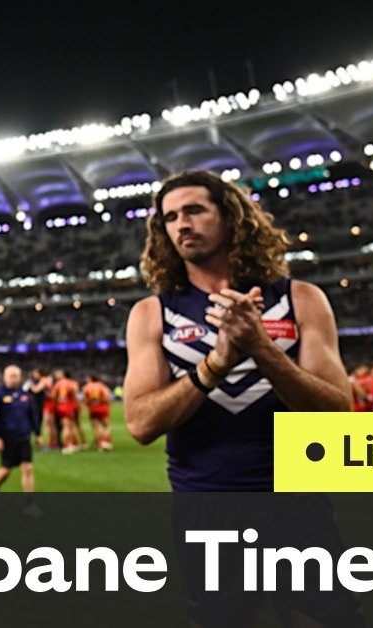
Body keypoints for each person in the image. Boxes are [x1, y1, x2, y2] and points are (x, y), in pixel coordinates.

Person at [122, 170, 358, 627]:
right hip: (207, 506)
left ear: (231, 217)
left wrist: (260, 347)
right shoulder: (153, 314)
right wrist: (216, 363)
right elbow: (141, 423)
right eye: (170, 217)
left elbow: (336, 414)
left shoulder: (301, 299)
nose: (181, 224)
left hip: (297, 503)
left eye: (195, 210)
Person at [0, 365, 40, 516]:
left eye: (16, 376)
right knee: (6, 470)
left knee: (27, 468)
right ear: (5, 377)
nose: (14, 379)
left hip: (24, 437)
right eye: (11, 376)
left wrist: (38, 433)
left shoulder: (25, 395)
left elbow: (32, 415)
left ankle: (30, 504)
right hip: (7, 439)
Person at [52, 370, 83, 453]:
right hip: (68, 407)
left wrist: (57, 403)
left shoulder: (58, 383)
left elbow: (53, 395)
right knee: (69, 427)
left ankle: (69, 444)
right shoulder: (71, 383)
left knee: (66, 426)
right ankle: (67, 445)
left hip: (60, 406)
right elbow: (74, 396)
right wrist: (79, 406)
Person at [82, 374, 113, 451]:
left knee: (96, 427)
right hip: (102, 407)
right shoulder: (102, 386)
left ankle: (99, 445)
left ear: (91, 379)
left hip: (92, 408)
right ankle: (105, 441)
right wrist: (108, 405)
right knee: (106, 426)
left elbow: (85, 399)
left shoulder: (86, 387)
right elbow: (107, 397)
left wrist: (85, 408)